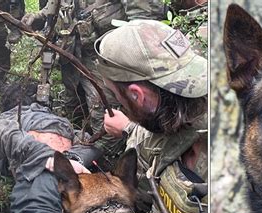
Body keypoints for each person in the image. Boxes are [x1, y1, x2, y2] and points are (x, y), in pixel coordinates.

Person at [94, 20, 208, 213]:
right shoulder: (178, 114)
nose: (119, 105)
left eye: (118, 97)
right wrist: (127, 128)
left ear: (137, 95)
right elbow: (157, 141)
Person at [21, 0, 166, 157]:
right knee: (74, 105)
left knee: (105, 117)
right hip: (72, 53)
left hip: (106, 59)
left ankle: (107, 161)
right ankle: (76, 144)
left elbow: (145, 22)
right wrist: (40, 16)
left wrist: (125, 62)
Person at [0, 84, 101, 213]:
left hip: (47, 180)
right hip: (58, 178)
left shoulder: (11, 120)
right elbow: (92, 146)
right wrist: (59, 159)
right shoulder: (12, 118)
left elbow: (3, 135)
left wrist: (68, 161)